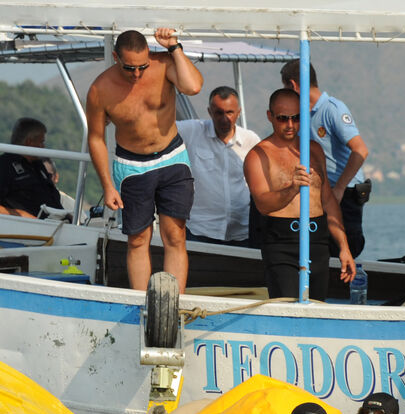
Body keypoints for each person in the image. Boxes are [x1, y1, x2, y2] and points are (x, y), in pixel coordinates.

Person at [85, 28, 203, 292]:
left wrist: (174, 47)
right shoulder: (99, 89)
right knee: (138, 239)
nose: (136, 74)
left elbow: (193, 86)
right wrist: (107, 186)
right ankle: (141, 305)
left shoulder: (164, 65)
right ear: (115, 57)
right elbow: (96, 138)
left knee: (175, 234)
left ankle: (175, 305)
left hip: (172, 157)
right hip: (132, 166)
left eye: (142, 67)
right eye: (129, 68)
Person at [243, 88, 356, 301]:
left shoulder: (314, 150)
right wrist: (292, 189)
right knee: (287, 305)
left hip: (317, 239)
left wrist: (344, 247)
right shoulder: (257, 156)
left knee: (317, 305)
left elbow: (328, 200)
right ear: (270, 116)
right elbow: (262, 204)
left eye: (296, 118)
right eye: (282, 118)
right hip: (281, 242)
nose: (290, 125)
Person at [280, 60, 370, 259]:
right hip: (320, 193)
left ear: (293, 85)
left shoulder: (332, 110)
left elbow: (360, 150)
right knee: (319, 247)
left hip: (344, 193)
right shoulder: (300, 115)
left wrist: (339, 188)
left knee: (346, 246)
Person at [176, 86, 261, 245]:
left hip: (241, 232)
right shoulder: (193, 131)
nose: (225, 119)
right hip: (200, 230)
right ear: (209, 112)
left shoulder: (251, 140)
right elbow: (161, 129)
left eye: (229, 112)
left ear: (238, 112)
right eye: (219, 113)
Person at [0, 117, 62, 218]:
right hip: (30, 229)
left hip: (58, 224)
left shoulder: (38, 166)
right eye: (41, 142)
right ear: (29, 142)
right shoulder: (4, 166)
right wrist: (20, 215)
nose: (43, 147)